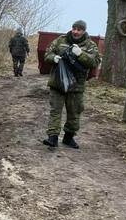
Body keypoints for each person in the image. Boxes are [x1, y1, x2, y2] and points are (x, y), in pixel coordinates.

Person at [42, 20, 101, 149]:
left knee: (74, 112)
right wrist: (54, 58)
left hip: (76, 85)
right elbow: (47, 54)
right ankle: (52, 138)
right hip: (58, 82)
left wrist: (81, 54)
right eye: (74, 28)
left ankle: (68, 138)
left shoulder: (90, 45)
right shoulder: (61, 40)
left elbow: (95, 62)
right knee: (55, 110)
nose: (75, 31)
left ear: (84, 31)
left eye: (79, 29)